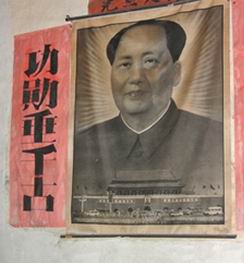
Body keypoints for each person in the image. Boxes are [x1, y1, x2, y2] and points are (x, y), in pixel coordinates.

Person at [73, 19, 223, 198]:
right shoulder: (82, 144)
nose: (136, 77)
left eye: (150, 61)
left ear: (176, 73)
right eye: (125, 64)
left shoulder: (215, 137)